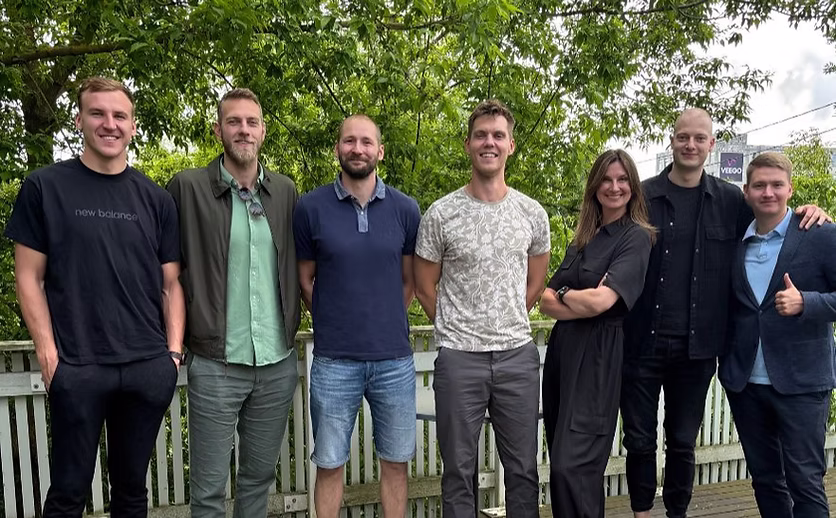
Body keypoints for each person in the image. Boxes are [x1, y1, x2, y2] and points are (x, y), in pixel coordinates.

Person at [620, 108, 829, 518]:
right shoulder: (642, 197)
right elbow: (611, 236)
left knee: (682, 442)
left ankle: (677, 513)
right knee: (639, 440)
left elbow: (774, 218)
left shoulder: (731, 201)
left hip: (698, 348)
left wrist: (812, 211)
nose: (691, 144)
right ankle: (641, 513)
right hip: (641, 341)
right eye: (683, 137)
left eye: (700, 138)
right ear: (672, 140)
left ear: (711, 144)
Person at [4, 77, 183, 518]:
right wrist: (48, 355)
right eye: (98, 113)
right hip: (78, 365)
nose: (109, 124)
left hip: (146, 366)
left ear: (133, 126)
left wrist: (173, 355)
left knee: (132, 492)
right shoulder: (45, 187)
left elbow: (171, 284)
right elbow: (28, 277)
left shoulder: (155, 198)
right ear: (79, 120)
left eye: (120, 116)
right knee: (68, 493)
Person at [166, 88, 300, 518]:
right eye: (234, 122)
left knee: (257, 480)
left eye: (252, 122)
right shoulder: (187, 188)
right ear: (218, 130)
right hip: (215, 364)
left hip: (277, 363)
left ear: (263, 131)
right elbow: (165, 273)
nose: (244, 130)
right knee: (208, 490)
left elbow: (304, 265)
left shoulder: (284, 191)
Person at [414, 99, 551, 518]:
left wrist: (506, 317)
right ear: (468, 144)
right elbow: (423, 285)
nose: (489, 142)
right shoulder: (441, 214)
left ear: (511, 145)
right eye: (480, 135)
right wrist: (458, 327)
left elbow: (536, 281)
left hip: (517, 357)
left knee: (523, 469)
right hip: (459, 360)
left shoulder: (531, 213)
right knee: (458, 471)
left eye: (497, 135)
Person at [293, 114, 421, 518]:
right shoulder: (310, 208)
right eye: (349, 141)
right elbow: (305, 279)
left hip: (394, 360)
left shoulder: (406, 209)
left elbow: (410, 281)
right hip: (333, 361)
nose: (358, 149)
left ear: (380, 151)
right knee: (329, 463)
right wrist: (336, 318)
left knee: (396, 462)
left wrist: (381, 317)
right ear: (337, 149)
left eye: (366, 142)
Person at [719, 152, 836, 518]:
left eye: (776, 185)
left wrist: (807, 302)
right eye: (759, 185)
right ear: (746, 191)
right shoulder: (735, 240)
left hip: (802, 383)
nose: (767, 192)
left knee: (805, 482)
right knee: (766, 480)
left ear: (790, 189)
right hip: (746, 384)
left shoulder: (819, 234)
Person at [540, 149, 654, 517]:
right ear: (594, 186)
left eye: (622, 180)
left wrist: (566, 295)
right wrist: (575, 297)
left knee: (573, 467)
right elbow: (544, 301)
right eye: (606, 179)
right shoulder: (583, 239)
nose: (614, 187)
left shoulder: (635, 238)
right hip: (563, 355)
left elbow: (602, 302)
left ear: (633, 187)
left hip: (598, 356)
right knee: (560, 464)